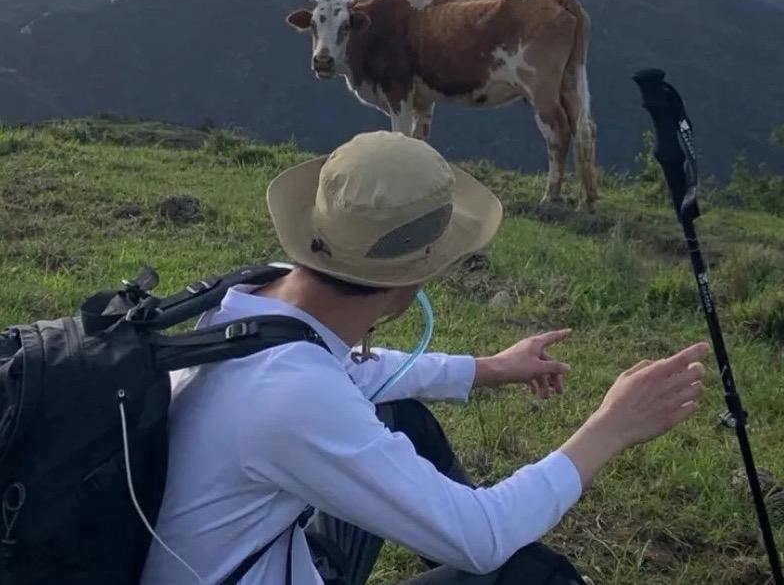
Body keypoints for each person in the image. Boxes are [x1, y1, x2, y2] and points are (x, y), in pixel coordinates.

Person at [141, 130, 708, 585]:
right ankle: (448, 529)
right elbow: (482, 539)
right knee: (527, 573)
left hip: (254, 557)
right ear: (412, 281)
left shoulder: (259, 293)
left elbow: (352, 372)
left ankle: (435, 523)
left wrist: (490, 368)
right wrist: (611, 426)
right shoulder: (294, 397)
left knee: (398, 414)